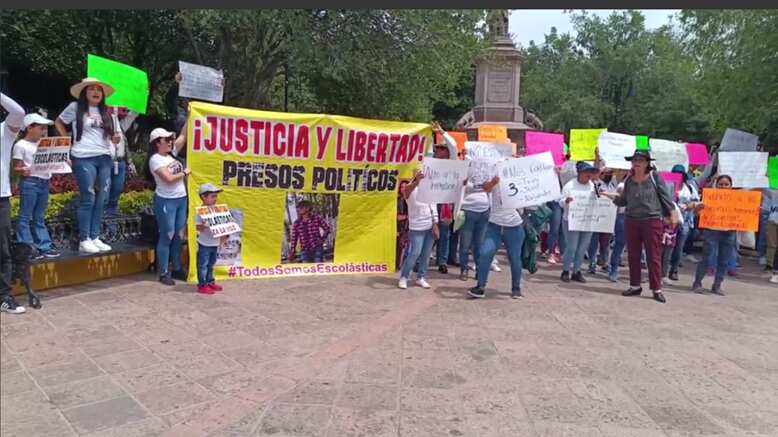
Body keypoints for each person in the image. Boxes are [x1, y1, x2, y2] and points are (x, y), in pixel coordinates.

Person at [55, 78, 120, 254]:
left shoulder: (107, 112)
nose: (96, 92)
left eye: (99, 89)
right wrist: (67, 143)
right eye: (92, 89)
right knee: (89, 196)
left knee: (103, 198)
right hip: (83, 156)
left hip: (104, 157)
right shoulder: (75, 108)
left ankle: (95, 236)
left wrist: (115, 139)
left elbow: (112, 136)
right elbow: (59, 122)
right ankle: (84, 239)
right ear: (85, 92)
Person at [611, 150, 676, 303]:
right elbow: (624, 201)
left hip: (652, 220)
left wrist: (672, 214)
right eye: (634, 160)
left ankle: (656, 288)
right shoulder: (628, 180)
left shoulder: (655, 177)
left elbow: (665, 198)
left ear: (647, 163)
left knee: (653, 256)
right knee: (633, 254)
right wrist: (610, 196)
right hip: (632, 219)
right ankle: (635, 285)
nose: (636, 162)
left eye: (640, 160)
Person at [144, 127, 190, 285]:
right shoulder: (155, 159)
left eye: (171, 138)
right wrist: (184, 173)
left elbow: (183, 135)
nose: (170, 141)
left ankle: (177, 268)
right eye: (166, 139)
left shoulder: (171, 154)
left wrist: (190, 116)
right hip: (166, 201)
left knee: (178, 235)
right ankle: (163, 272)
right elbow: (168, 178)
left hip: (181, 199)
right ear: (157, 143)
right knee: (167, 235)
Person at [468, 175, 525, 299]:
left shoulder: (520, 180)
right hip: (495, 226)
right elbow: (486, 188)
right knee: (485, 253)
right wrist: (494, 181)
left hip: (514, 226)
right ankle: (481, 286)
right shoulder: (495, 179)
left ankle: (516, 288)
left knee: (515, 258)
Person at [12, 114, 61, 259]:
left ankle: (44, 246)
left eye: (45, 128)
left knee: (39, 217)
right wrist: (24, 170)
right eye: (41, 128)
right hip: (30, 183)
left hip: (44, 182)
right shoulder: (21, 145)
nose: (44, 131)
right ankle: (27, 247)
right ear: (30, 128)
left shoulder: (44, 143)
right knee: (25, 216)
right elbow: (17, 167)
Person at [0, 93, 26, 314]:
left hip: (1, 198)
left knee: (3, 251)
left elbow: (19, 113)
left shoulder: (4, 132)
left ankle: (4, 296)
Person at [691, 175, 738, 295]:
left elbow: (745, 213)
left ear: (731, 186)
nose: (723, 186)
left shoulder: (737, 199)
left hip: (729, 232)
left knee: (724, 260)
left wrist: (755, 211)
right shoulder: (709, 197)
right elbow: (697, 214)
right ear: (716, 185)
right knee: (707, 257)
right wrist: (698, 209)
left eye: (726, 184)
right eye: (721, 184)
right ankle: (697, 283)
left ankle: (717, 285)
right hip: (711, 230)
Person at [398, 170, 439, 289]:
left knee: (426, 254)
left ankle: (421, 277)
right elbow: (406, 192)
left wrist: (435, 223)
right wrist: (416, 181)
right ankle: (404, 277)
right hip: (416, 227)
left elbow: (434, 206)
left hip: (429, 225)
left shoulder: (430, 189)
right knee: (415, 252)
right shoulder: (410, 188)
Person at [559, 162, 600, 283]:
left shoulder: (592, 186)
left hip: (587, 221)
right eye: (586, 172)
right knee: (571, 247)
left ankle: (576, 271)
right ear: (580, 173)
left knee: (582, 247)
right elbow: (560, 201)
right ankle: (565, 270)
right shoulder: (569, 186)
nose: (589, 174)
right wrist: (566, 201)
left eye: (590, 172)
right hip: (571, 221)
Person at [430, 122, 458, 274]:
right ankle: (425, 257)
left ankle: (442, 261)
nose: (440, 151)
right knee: (431, 232)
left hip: (446, 202)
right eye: (438, 149)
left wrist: (442, 132)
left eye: (442, 148)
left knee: (445, 233)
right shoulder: (431, 164)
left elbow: (453, 146)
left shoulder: (452, 163)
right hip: (432, 200)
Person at [667, 164, 701, 280]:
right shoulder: (668, 187)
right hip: (670, 219)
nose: (678, 177)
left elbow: (697, 202)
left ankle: (674, 269)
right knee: (667, 246)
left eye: (680, 174)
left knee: (679, 246)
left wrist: (691, 205)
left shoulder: (689, 188)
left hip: (685, 220)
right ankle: (663, 270)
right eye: (676, 174)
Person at [104, 107, 138, 219]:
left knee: (116, 194)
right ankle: (99, 227)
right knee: (104, 196)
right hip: (106, 163)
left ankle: (111, 227)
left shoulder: (121, 125)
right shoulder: (100, 124)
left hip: (120, 163)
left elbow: (134, 113)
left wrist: (143, 93)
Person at [194, 184, 225, 295]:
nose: (215, 198)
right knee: (203, 265)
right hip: (204, 243)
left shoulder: (217, 210)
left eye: (215, 196)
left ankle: (210, 281)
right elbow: (197, 227)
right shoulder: (200, 211)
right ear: (203, 197)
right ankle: (202, 285)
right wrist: (205, 225)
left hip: (214, 243)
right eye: (212, 196)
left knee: (211, 264)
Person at [587, 167, 615, 274]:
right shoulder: (596, 183)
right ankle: (592, 263)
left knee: (606, 242)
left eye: (611, 173)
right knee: (594, 242)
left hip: (608, 218)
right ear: (601, 174)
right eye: (607, 173)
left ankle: (604, 262)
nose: (610, 175)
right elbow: (596, 195)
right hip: (596, 217)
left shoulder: (612, 185)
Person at [607, 169, 628, 283]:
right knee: (619, 244)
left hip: (638, 217)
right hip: (623, 217)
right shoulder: (622, 185)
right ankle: (614, 269)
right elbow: (617, 199)